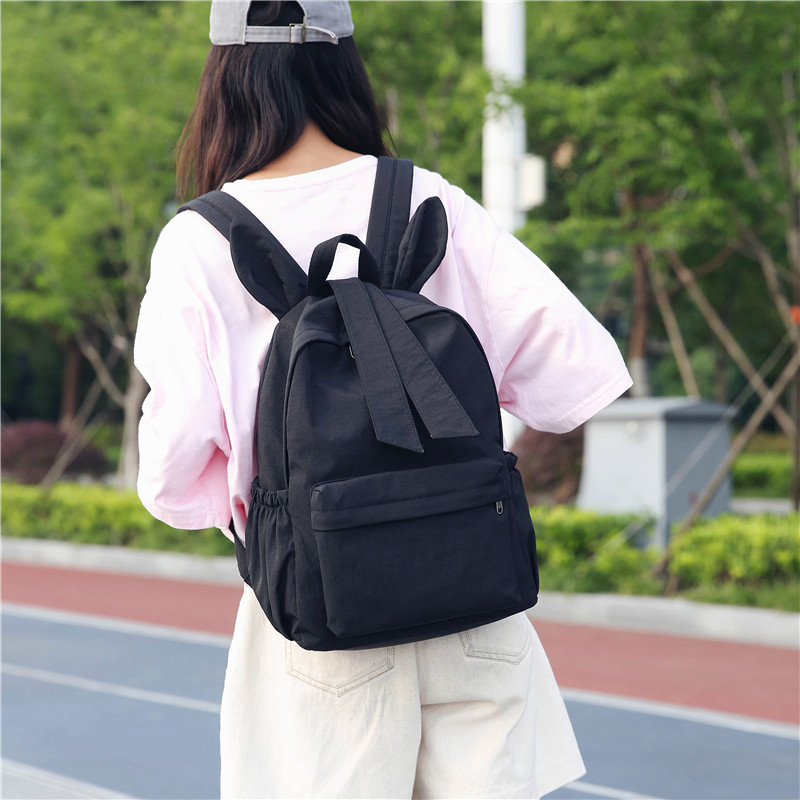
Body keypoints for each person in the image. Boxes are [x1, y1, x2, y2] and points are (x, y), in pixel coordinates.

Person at [134, 2, 632, 797]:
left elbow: (172, 478)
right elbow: (579, 374)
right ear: (344, 64)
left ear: (223, 75)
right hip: (471, 597)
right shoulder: (430, 200)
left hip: (322, 613)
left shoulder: (199, 240)